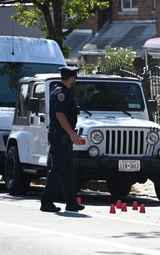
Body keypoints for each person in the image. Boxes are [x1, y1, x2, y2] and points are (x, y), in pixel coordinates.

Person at [40, 66, 85, 212]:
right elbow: (60, 115)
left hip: (62, 136)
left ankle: (71, 202)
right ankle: (46, 202)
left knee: (67, 170)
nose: (75, 81)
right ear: (72, 78)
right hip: (61, 136)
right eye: (75, 78)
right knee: (57, 169)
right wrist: (72, 134)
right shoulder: (61, 93)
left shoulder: (61, 91)